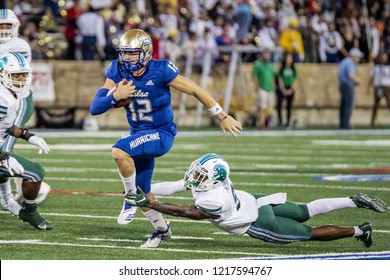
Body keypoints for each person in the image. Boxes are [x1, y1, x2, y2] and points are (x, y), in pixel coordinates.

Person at [89, 29, 242, 248]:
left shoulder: (161, 70)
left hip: (161, 133)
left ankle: (129, 199)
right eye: (124, 53)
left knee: (119, 151)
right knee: (144, 194)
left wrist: (222, 115)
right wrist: (114, 96)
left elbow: (195, 90)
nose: (127, 58)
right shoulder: (117, 70)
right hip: (139, 133)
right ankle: (162, 229)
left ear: (145, 52)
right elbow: (95, 108)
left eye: (132, 53)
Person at [126, 153, 388, 248]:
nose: (194, 175)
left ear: (211, 179)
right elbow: (175, 186)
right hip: (260, 201)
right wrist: (144, 188)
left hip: (257, 221)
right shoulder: (214, 182)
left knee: (310, 233)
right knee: (306, 209)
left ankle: (358, 230)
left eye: (199, 173)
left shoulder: (214, 197)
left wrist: (153, 204)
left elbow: (188, 212)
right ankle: (353, 200)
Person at [0, 9, 50, 215]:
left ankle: (8, 197)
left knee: (4, 146)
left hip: (18, 99)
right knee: (4, 150)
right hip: (6, 98)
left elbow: (15, 74)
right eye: (0, 26)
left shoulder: (20, 45)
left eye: (7, 26)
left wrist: (28, 135)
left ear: (16, 27)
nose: (3, 31)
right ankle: (7, 197)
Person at [337, 47, 363, 129]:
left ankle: (343, 124)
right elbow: (350, 75)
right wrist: (358, 80)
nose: (359, 59)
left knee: (344, 105)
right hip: (347, 85)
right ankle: (346, 125)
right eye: (358, 56)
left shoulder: (344, 61)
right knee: (348, 105)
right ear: (354, 56)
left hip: (342, 85)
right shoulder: (350, 63)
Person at [251, 48, 275, 130]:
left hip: (270, 89)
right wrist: (257, 87)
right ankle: (261, 124)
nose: (267, 55)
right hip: (262, 88)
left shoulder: (270, 64)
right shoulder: (258, 64)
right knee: (262, 107)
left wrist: (273, 86)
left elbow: (272, 77)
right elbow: (254, 76)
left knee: (268, 108)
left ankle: (266, 123)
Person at [366, 51, 390, 127]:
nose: (383, 57)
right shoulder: (376, 66)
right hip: (378, 86)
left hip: (386, 86)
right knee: (376, 105)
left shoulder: (388, 66)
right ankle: (372, 123)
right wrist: (368, 87)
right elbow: (371, 77)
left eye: (384, 56)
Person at [276, 52, 298, 128]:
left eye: (290, 58)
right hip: (283, 88)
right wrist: (283, 89)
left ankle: (288, 122)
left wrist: (291, 89)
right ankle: (280, 121)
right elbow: (280, 79)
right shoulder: (282, 68)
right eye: (287, 58)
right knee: (279, 105)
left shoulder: (293, 69)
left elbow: (295, 80)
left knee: (289, 106)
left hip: (290, 88)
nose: (289, 60)